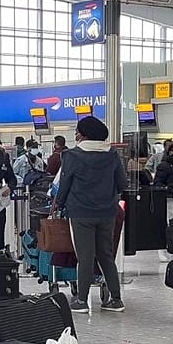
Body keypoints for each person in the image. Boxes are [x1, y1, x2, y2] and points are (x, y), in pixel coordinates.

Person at [54, 116, 126, 313]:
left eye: (77, 131)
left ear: (84, 134)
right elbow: (122, 184)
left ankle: (81, 301)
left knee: (85, 257)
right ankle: (116, 299)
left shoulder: (71, 156)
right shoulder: (112, 155)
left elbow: (65, 185)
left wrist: (58, 205)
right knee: (106, 255)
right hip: (107, 212)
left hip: (81, 213)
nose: (75, 135)